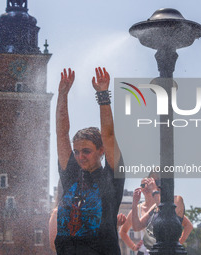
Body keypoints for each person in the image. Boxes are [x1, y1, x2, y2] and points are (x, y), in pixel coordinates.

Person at [55, 67, 125, 255]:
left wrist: (102, 94)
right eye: (76, 151)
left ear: (101, 150)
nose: (79, 157)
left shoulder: (112, 176)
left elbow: (109, 135)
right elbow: (61, 134)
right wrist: (63, 94)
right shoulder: (71, 173)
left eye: (86, 151)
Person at [131, 176, 193, 252]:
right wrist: (134, 203)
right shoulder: (154, 206)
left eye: (153, 182)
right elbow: (137, 227)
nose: (148, 186)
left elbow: (166, 213)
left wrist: (179, 243)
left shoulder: (176, 200)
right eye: (144, 185)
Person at [119, 177, 158, 254]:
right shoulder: (138, 208)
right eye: (143, 185)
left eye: (148, 184)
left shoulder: (160, 205)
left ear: (154, 186)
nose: (146, 187)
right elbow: (122, 231)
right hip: (143, 252)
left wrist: (178, 241)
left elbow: (187, 225)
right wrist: (133, 247)